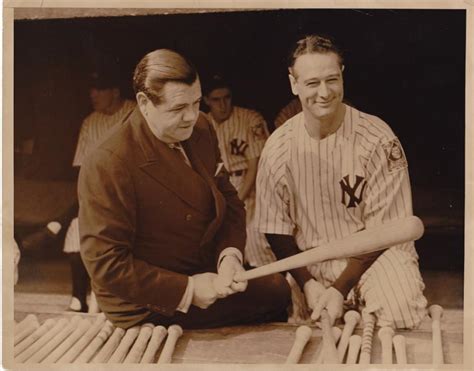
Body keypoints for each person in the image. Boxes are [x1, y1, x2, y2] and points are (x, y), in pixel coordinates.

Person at [78, 49, 291, 329]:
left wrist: (229, 257)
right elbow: (107, 265)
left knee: (276, 289)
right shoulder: (107, 162)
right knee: (272, 295)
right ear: (143, 102)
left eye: (196, 102)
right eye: (178, 109)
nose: (192, 116)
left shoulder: (201, 127)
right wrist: (187, 290)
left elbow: (230, 202)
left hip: (202, 272)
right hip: (148, 300)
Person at [255, 34, 427, 329]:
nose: (324, 92)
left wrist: (340, 289)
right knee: (307, 337)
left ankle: (364, 306)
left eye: (331, 79)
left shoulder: (378, 138)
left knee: (398, 313)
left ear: (342, 76)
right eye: (312, 83)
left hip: (376, 259)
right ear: (294, 84)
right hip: (311, 265)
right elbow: (276, 230)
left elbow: (387, 232)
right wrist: (308, 284)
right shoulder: (278, 147)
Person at [63, 68, 136, 312]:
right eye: (91, 89)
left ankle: (110, 295)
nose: (93, 94)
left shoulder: (135, 113)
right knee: (76, 229)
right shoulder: (90, 121)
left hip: (130, 190)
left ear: (115, 92)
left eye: (100, 89)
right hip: (97, 190)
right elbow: (80, 167)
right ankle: (78, 297)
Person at [203, 75, 275, 267]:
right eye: (216, 100)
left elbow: (256, 165)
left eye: (227, 97)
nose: (223, 104)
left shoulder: (251, 119)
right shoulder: (201, 123)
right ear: (206, 100)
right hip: (218, 189)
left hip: (251, 187)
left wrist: (236, 200)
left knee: (256, 244)